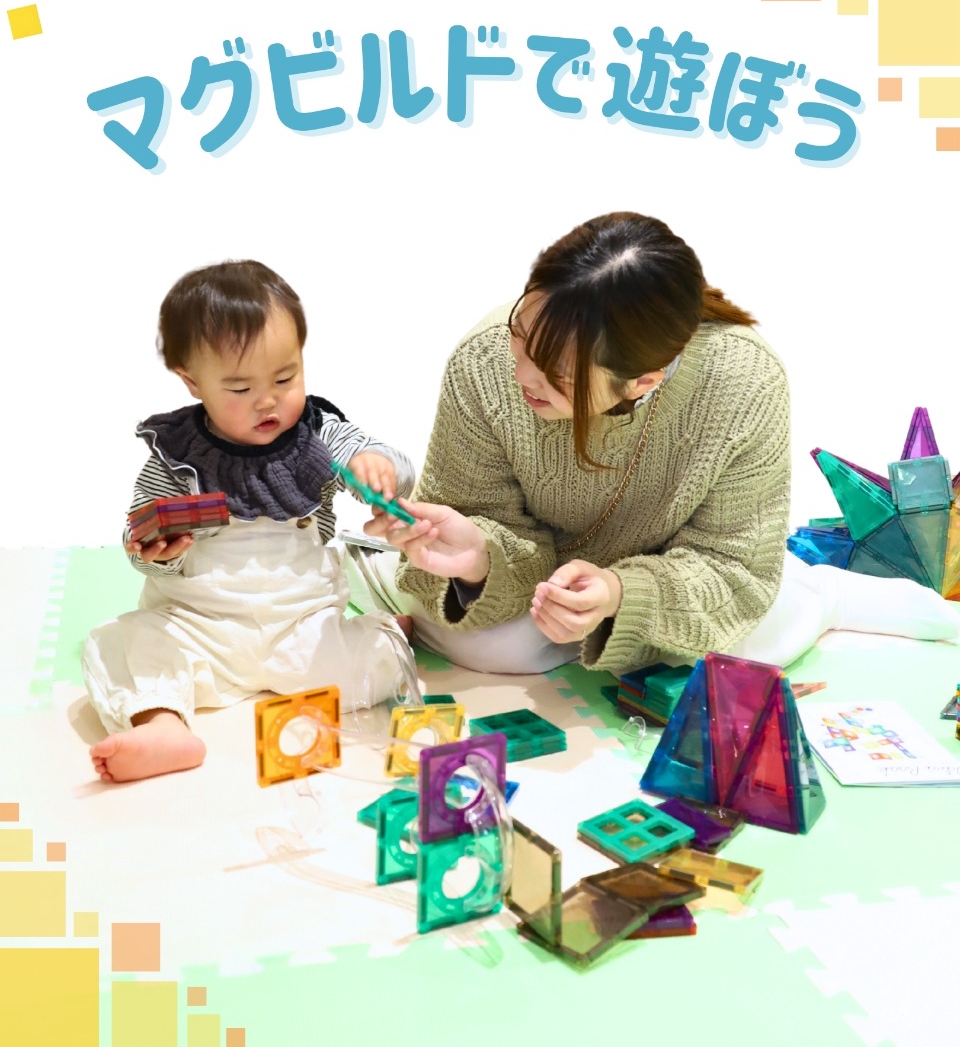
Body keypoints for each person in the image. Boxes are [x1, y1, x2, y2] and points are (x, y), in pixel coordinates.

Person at [354, 211, 960, 674]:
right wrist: (480, 559)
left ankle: (820, 593)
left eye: (556, 374)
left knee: (751, 644)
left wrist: (620, 594)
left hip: (669, 576)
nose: (522, 376)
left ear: (644, 379)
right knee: (491, 649)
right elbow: (472, 517)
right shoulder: (483, 363)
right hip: (538, 583)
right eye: (520, 334)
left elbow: (732, 565)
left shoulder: (743, 381)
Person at [83, 260, 415, 783]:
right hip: (199, 628)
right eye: (239, 389)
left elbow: (382, 462)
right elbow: (139, 535)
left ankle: (385, 637)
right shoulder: (175, 457)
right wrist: (154, 552)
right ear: (192, 382)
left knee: (373, 659)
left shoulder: (319, 433)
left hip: (302, 627)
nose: (268, 400)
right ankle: (163, 726)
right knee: (118, 642)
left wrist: (378, 468)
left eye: (285, 377)